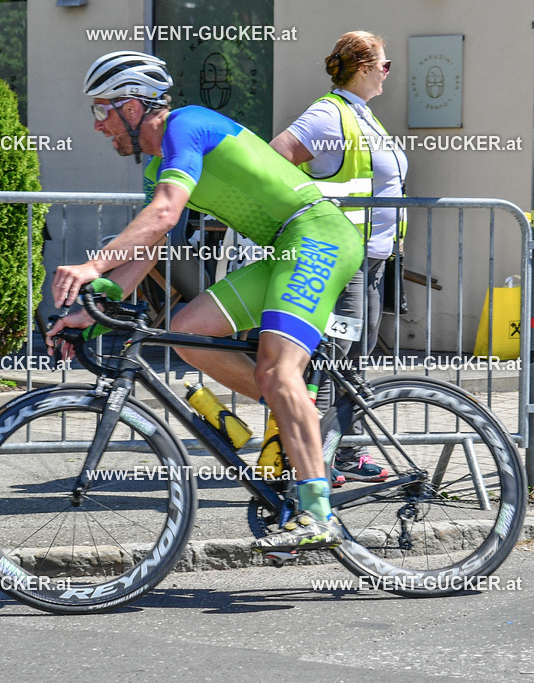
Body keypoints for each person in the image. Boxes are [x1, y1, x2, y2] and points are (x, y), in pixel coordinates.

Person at [47, 51, 364, 553]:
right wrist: (93, 309)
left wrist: (91, 265)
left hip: (319, 236)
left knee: (276, 371)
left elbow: (165, 215)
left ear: (133, 107)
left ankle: (317, 512)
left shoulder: (187, 125)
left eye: (102, 109)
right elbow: (148, 247)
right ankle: (297, 412)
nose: (97, 125)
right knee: (189, 329)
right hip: (288, 247)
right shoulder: (158, 165)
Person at [270, 31, 408, 484]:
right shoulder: (329, 114)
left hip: (373, 260)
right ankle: (316, 462)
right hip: (344, 260)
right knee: (334, 357)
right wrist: (310, 217)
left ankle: (346, 452)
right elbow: (276, 159)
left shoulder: (361, 116)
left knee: (354, 361)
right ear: (364, 67)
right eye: (385, 66)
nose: (388, 74)